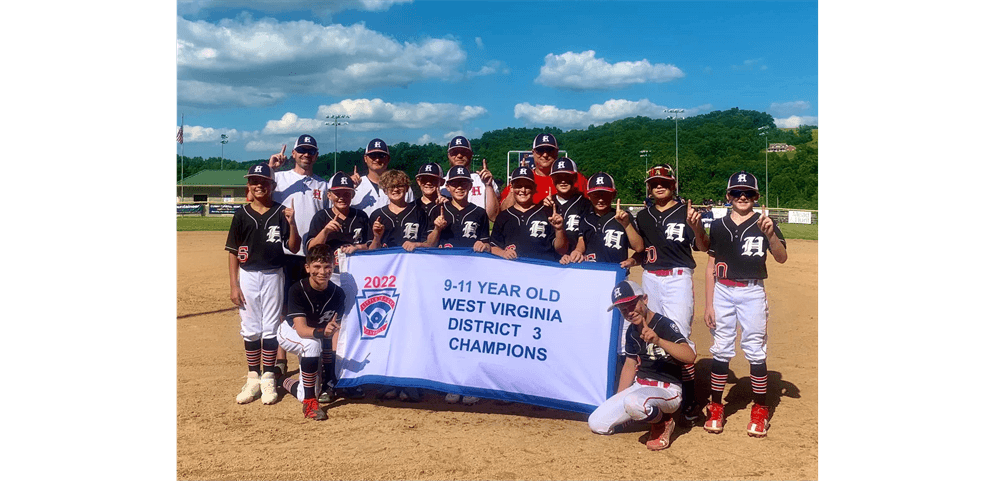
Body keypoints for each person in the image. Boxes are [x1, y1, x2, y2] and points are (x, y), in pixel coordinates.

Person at [702, 171, 787, 438]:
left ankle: (760, 408)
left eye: (748, 193)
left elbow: (782, 258)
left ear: (756, 197)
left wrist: (771, 235)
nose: (742, 197)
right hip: (723, 291)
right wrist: (708, 304)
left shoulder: (765, 223)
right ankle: (716, 405)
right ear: (728, 197)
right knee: (721, 347)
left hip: (752, 291)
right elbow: (710, 266)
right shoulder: (717, 226)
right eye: (737, 192)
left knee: (755, 346)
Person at [632, 164, 708, 425]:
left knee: (679, 336)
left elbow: (702, 246)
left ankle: (688, 399)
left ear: (673, 184)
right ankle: (657, 388)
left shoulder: (685, 211)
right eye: (654, 183)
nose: (659, 185)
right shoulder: (643, 216)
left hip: (677, 278)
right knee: (649, 333)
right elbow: (640, 249)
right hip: (650, 277)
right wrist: (632, 259)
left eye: (664, 181)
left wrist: (696, 226)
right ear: (649, 188)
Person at [588, 280, 696, 451]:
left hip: (668, 390)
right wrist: (617, 400)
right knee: (596, 423)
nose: (629, 312)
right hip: (640, 387)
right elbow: (630, 366)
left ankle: (663, 422)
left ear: (644, 299)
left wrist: (659, 340)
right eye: (623, 310)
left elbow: (690, 356)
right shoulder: (632, 331)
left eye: (632, 305)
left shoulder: (664, 324)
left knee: (634, 403)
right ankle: (641, 413)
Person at [225, 163, 301, 405]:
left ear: (273, 186)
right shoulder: (241, 214)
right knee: (249, 327)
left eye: (264, 181)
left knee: (270, 327)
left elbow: (294, 247)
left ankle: (268, 377)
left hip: (273, 274)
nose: (259, 185)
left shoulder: (281, 211)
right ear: (249, 186)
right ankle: (252, 378)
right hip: (247, 275)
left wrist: (292, 223)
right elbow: (232, 252)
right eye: (254, 181)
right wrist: (233, 284)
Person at [367, 169, 443, 402]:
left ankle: (411, 381)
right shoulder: (378, 215)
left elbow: (432, 243)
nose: (397, 190)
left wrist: (418, 244)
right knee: (388, 330)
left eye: (400, 186)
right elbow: (372, 252)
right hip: (388, 281)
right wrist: (377, 237)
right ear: (385, 190)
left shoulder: (419, 211)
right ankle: (389, 379)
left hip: (414, 279)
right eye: (392, 188)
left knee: (412, 330)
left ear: (407, 187)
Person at [304, 171, 372, 401]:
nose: (342, 197)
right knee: (331, 328)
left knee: (352, 327)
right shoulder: (321, 216)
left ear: (352, 194)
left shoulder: (361, 216)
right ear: (330, 195)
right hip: (329, 278)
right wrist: (326, 231)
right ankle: (330, 381)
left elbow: (373, 246)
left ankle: (350, 379)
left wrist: (359, 248)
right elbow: (310, 249)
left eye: (347, 193)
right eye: (338, 193)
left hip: (355, 278)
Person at [267, 134, 329, 376]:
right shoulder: (279, 179)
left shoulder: (322, 185)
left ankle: (312, 353)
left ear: (316, 155)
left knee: (313, 305)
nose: (306, 154)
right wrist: (271, 168)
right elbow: (253, 196)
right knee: (283, 305)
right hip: (284, 252)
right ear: (293, 154)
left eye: (310, 151)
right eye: (301, 150)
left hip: (312, 255)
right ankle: (281, 359)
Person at [580, 172, 646, 392]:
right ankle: (595, 383)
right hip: (591, 285)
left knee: (620, 336)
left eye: (605, 194)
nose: (600, 199)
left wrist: (626, 224)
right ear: (589, 195)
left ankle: (621, 381)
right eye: (596, 194)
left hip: (618, 286)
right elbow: (581, 244)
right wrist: (576, 253)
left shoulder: (623, 218)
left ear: (614, 195)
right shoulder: (586, 218)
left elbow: (639, 249)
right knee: (593, 332)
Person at [433, 165, 491, 406]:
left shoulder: (478, 213)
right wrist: (437, 227)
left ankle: (470, 382)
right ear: (447, 186)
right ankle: (450, 382)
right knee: (447, 330)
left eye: (463, 183)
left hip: (471, 279)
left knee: (469, 331)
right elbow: (429, 244)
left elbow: (487, 245)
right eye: (454, 183)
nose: (459, 186)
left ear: (470, 186)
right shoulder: (439, 210)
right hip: (445, 279)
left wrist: (484, 246)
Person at [276, 244, 345, 421]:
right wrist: (323, 332)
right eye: (317, 266)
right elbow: (301, 330)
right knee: (312, 344)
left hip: (315, 336)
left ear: (333, 267)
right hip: (290, 333)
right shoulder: (297, 290)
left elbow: (332, 333)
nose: (322, 271)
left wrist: (330, 373)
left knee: (307, 388)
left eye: (327, 266)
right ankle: (310, 403)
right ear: (307, 268)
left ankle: (282, 380)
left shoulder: (338, 294)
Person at [489, 166, 568, 262]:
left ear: (534, 188)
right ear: (512, 188)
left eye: (527, 186)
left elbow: (561, 250)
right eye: (518, 186)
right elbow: (493, 246)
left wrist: (559, 230)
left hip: (544, 269)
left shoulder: (547, 213)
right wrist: (503, 253)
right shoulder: (503, 216)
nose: (523, 190)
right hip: (513, 270)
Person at [499, 133, 587, 210]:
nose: (545, 155)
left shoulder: (574, 177)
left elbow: (594, 204)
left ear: (557, 152)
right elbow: (504, 211)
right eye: (540, 150)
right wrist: (515, 185)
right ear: (533, 152)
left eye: (549, 150)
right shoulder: (523, 178)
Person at [439, 136, 499, 221]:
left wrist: (489, 185)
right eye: (455, 152)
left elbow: (494, 216)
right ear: (449, 155)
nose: (459, 155)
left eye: (464, 152)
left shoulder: (482, 180)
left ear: (471, 155)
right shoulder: (441, 185)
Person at [351, 139, 414, 216]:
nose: (377, 159)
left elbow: (411, 213)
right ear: (365, 158)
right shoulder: (354, 186)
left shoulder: (401, 186)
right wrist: (348, 187)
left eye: (381, 156)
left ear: (388, 159)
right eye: (373, 155)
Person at [546, 157, 591, 264]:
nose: (563, 181)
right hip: (550, 262)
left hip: (577, 260)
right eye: (558, 177)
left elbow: (585, 235)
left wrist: (578, 251)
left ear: (575, 178)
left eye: (567, 176)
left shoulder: (585, 204)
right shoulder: (546, 204)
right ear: (552, 179)